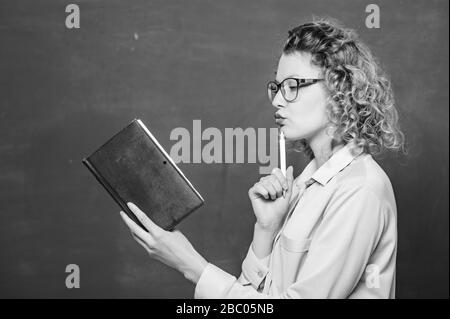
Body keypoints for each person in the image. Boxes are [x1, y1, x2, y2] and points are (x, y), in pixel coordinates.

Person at [119, 18, 406, 299]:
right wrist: (266, 231)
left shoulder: (359, 191)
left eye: (292, 86)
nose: (277, 100)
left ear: (337, 89)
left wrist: (190, 265)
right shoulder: (303, 186)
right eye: (277, 87)